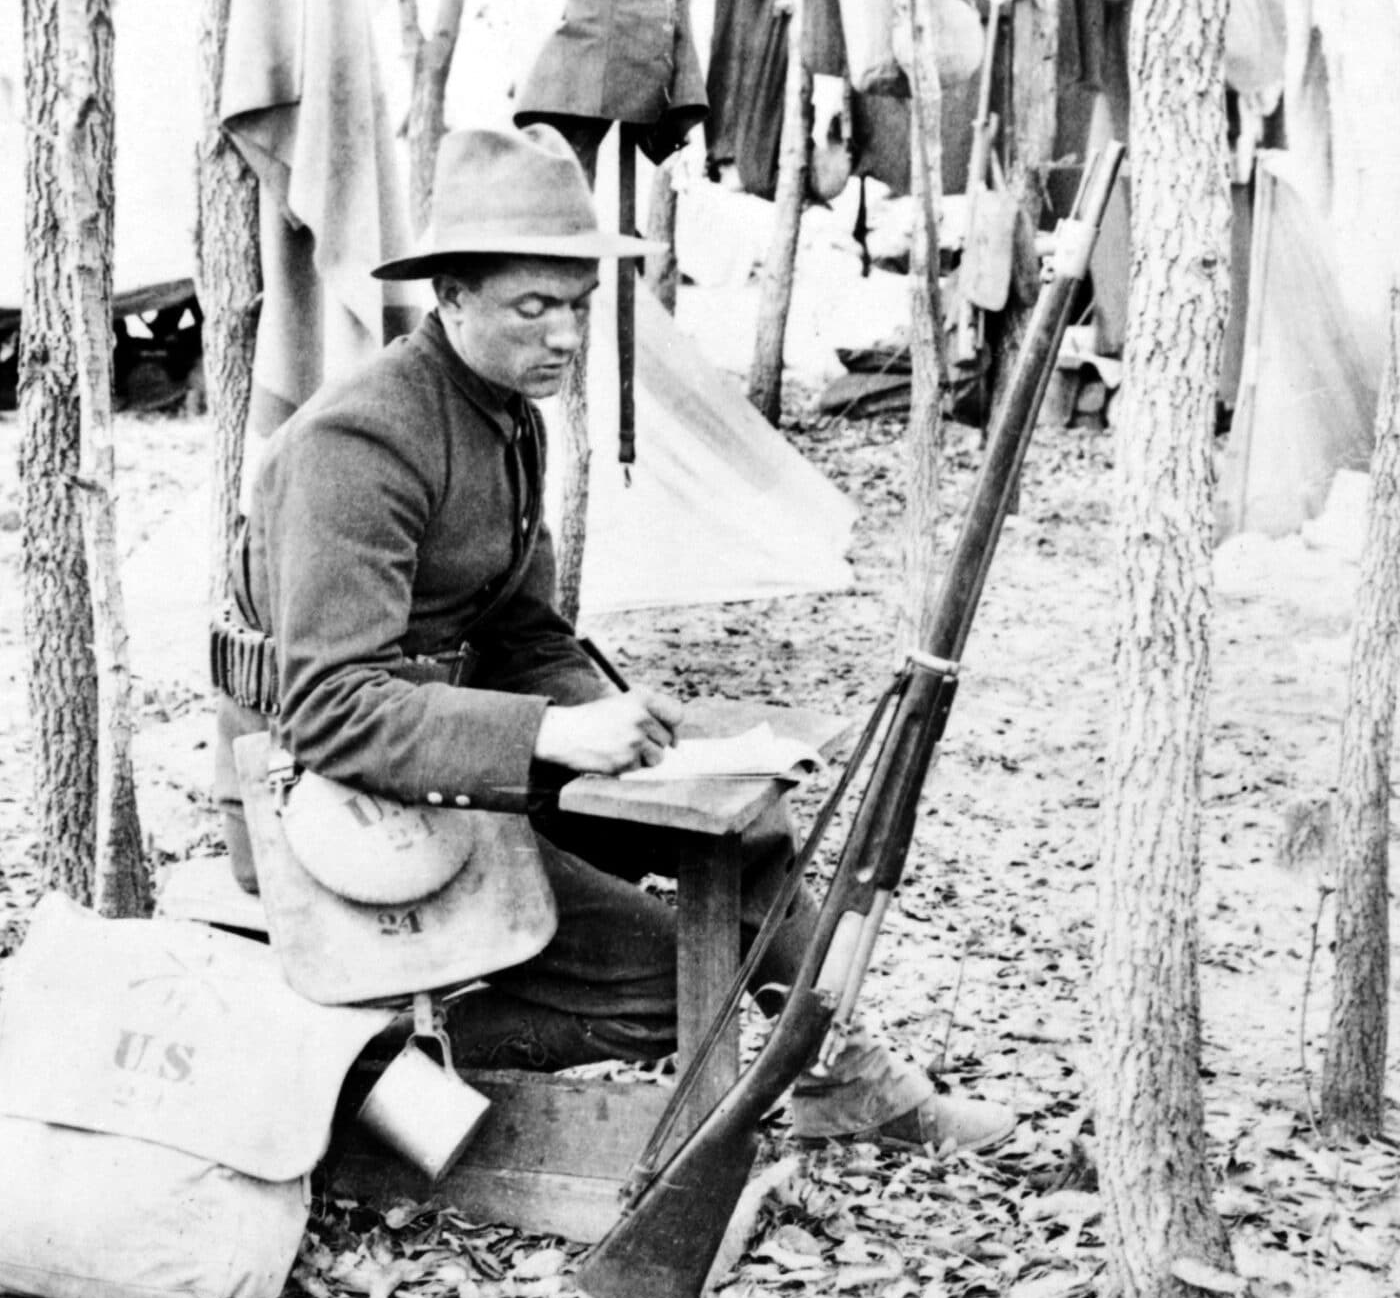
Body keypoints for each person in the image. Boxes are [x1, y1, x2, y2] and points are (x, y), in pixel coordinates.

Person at [212, 125, 1013, 1153]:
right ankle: (364, 1070)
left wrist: (613, 723)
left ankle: (835, 1073)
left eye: (576, 308)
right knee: (679, 974)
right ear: (449, 298)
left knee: (748, 838)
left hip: (440, 762)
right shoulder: (356, 444)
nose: (560, 336)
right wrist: (551, 738)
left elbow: (521, 627)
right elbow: (328, 712)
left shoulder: (504, 413)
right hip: (326, 803)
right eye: (531, 306)